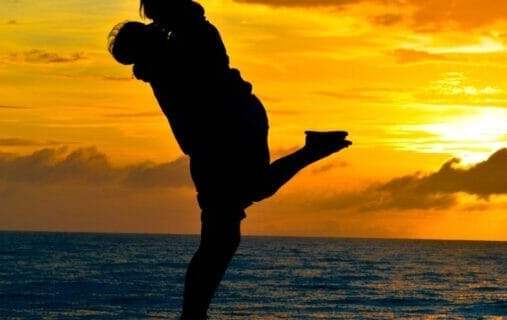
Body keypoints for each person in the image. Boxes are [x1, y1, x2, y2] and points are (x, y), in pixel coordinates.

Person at [108, 1, 351, 318]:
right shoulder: (169, 54)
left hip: (225, 136)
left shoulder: (185, 42)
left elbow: (181, 25)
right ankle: (312, 149)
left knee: (222, 232)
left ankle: (192, 316)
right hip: (227, 134)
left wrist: (160, 23)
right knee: (243, 205)